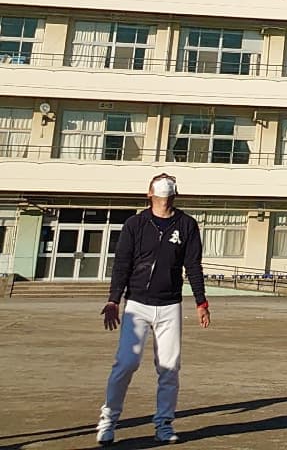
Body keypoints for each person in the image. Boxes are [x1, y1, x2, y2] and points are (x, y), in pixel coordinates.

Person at [96, 171, 210, 446]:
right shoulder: (135, 224)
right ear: (149, 194)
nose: (163, 190)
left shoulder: (186, 225)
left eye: (168, 187)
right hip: (137, 304)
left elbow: (193, 265)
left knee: (169, 367)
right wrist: (114, 299)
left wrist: (201, 302)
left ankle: (163, 423)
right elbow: (122, 263)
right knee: (126, 363)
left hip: (170, 305)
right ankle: (108, 421)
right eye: (159, 186)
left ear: (175, 194)